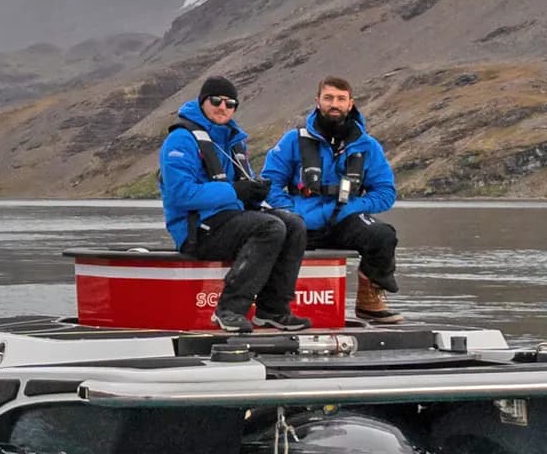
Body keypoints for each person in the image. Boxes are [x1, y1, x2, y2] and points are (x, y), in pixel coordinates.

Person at [159, 74, 310, 334]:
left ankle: (272, 310)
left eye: (230, 104)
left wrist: (254, 193)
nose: (223, 108)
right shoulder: (181, 140)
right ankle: (228, 310)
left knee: (294, 224)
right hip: (197, 230)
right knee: (269, 228)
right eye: (216, 101)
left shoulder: (233, 142)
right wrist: (235, 191)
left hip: (230, 220)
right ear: (203, 101)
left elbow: (241, 191)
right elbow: (180, 195)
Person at [262, 76, 403, 323]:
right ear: (318, 102)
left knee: (383, 236)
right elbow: (269, 182)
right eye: (328, 98)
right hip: (300, 221)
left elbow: (385, 192)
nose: (334, 104)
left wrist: (352, 207)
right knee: (270, 237)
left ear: (351, 103)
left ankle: (369, 301)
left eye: (340, 99)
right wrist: (287, 209)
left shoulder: (367, 146)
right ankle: (272, 307)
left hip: (344, 219)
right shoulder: (293, 141)